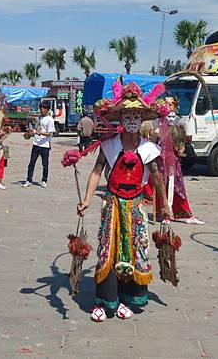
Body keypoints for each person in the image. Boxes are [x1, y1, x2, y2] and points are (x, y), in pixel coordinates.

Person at [76, 82, 172, 322]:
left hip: (136, 205)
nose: (132, 119)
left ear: (141, 119)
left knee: (135, 248)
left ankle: (129, 298)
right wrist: (87, 199)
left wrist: (166, 204)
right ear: (120, 118)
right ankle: (105, 300)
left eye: (136, 115)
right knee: (108, 248)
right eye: (127, 115)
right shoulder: (109, 145)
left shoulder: (149, 148)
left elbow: (157, 178)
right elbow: (97, 172)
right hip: (112, 203)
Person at [147, 97, 204, 224]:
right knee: (162, 189)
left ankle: (186, 214)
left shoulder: (179, 130)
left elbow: (182, 146)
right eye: (169, 116)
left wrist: (181, 150)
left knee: (179, 189)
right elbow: (151, 147)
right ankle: (163, 215)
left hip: (175, 164)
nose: (171, 119)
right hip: (161, 164)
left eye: (173, 116)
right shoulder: (157, 131)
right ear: (163, 117)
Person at [22, 101, 55, 188]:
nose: (41, 110)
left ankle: (44, 180)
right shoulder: (39, 118)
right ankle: (29, 180)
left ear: (47, 109)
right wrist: (31, 133)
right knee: (31, 163)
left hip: (45, 145)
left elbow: (50, 133)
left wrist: (39, 133)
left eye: (43, 109)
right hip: (36, 144)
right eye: (40, 108)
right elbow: (36, 130)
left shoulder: (50, 119)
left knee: (45, 164)